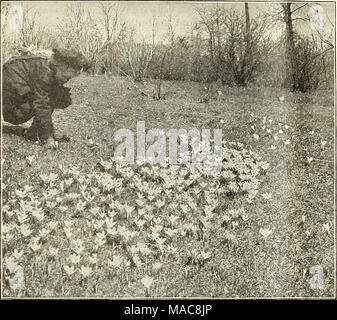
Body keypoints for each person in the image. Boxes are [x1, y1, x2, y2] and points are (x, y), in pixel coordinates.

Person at [2, 48, 91, 149]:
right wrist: (47, 137)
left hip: (18, 93)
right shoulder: (44, 72)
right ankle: (38, 133)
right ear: (59, 67)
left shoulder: (50, 68)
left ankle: (34, 132)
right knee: (50, 98)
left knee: (62, 96)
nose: (65, 81)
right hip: (10, 105)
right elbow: (41, 104)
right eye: (65, 77)